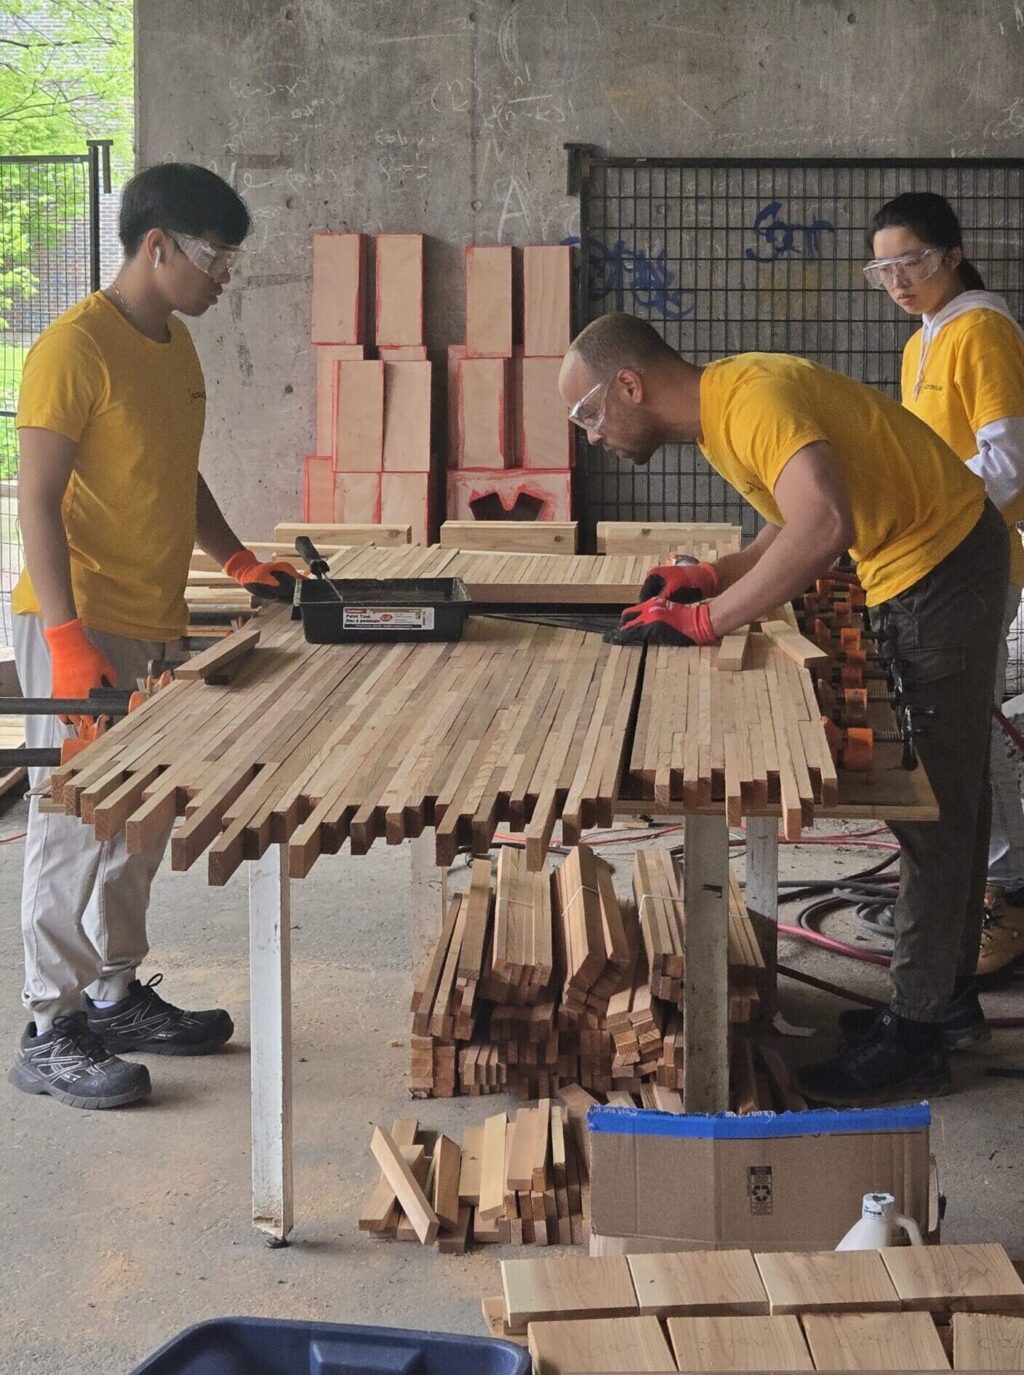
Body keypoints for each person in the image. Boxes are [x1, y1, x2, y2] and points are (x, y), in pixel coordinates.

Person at [559, 312, 1007, 1107]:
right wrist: (719, 573)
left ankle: (915, 1035)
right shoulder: (725, 412)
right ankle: (945, 1000)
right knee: (952, 797)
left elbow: (826, 527)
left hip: (942, 562)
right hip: (935, 552)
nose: (591, 435)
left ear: (629, 384)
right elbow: (792, 514)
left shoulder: (748, 401)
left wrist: (710, 620)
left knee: (931, 806)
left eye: (589, 413)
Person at [9, 162, 302, 1110]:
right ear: (157, 245)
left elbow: (181, 476)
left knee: (138, 819)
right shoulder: (72, 349)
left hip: (153, 618)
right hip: (80, 623)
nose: (224, 278)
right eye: (216, 260)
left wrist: (238, 560)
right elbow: (38, 502)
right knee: (70, 822)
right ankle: (49, 1025)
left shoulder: (174, 346)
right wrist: (63, 637)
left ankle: (115, 990)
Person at [865, 191, 1024, 984]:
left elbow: (1005, 461)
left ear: (953, 255)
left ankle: (1006, 895)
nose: (898, 280)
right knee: (965, 735)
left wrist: (928, 522)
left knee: (976, 736)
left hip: (980, 563)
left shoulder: (982, 331)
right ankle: (982, 894)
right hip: (934, 562)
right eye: (884, 268)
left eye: (913, 262)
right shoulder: (919, 341)